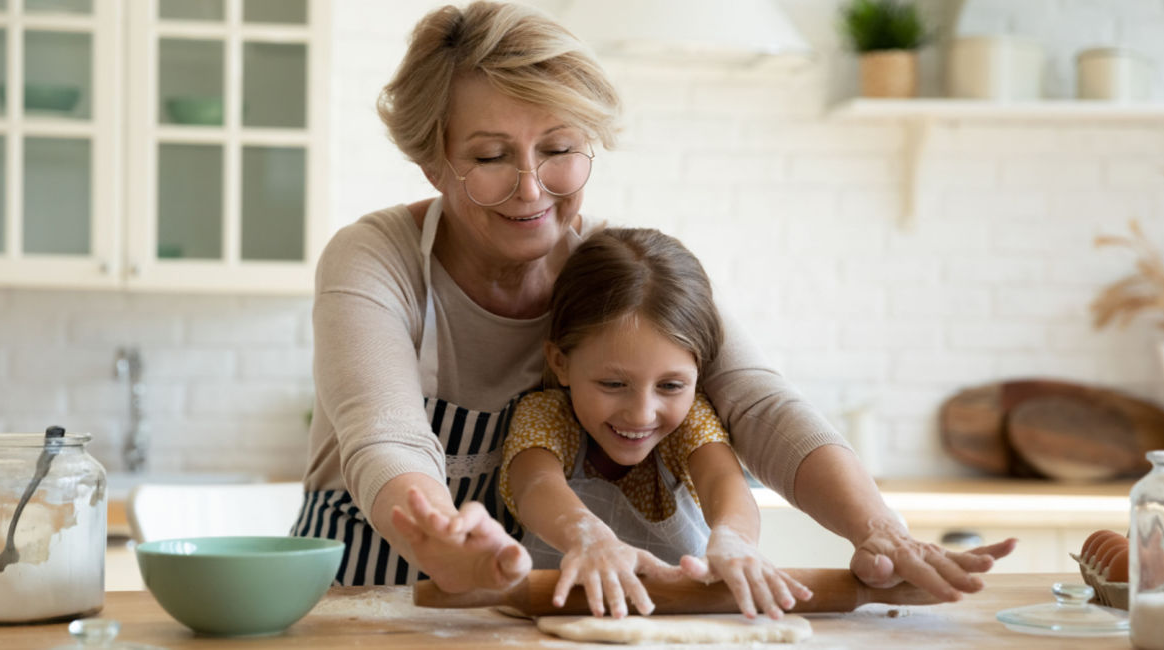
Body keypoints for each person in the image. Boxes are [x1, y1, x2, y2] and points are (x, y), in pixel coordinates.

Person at [295, 0, 1015, 599]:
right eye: (490, 157)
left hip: (504, 605)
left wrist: (880, 531)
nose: (531, 187)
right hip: (359, 598)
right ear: (433, 160)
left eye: (559, 148)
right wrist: (443, 539)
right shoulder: (375, 258)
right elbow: (383, 435)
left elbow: (756, 403)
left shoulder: (614, 273)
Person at [500, 227, 812, 619]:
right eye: (613, 384)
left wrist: (736, 540)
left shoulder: (689, 422)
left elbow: (724, 482)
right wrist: (589, 538)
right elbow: (535, 486)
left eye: (670, 385)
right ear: (560, 362)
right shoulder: (547, 416)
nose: (642, 413)